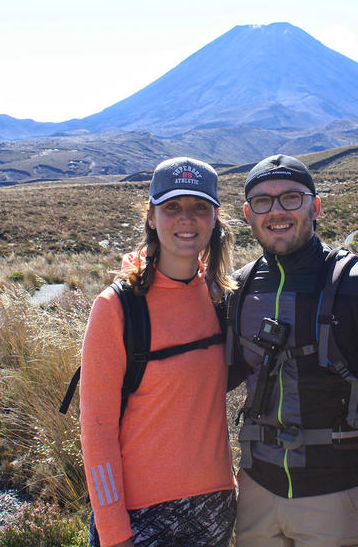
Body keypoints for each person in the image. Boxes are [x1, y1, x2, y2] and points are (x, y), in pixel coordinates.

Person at [227, 154, 358, 547]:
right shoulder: (239, 289)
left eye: (291, 198)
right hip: (255, 494)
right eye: (263, 201)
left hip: (338, 501)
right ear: (248, 214)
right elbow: (206, 383)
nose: (277, 211)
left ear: (315, 206)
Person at [79, 156, 237, 547]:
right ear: (151, 217)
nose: (187, 219)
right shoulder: (116, 308)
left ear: (215, 217)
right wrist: (114, 532)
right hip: (139, 518)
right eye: (172, 208)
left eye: (200, 207)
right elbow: (96, 431)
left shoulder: (224, 298)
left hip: (216, 507)